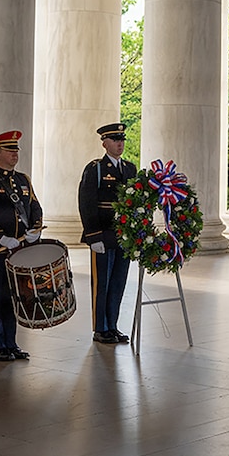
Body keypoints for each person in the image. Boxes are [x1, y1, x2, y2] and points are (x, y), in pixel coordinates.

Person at [0, 131, 43, 362]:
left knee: (14, 298)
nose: (15, 154)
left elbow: (35, 207)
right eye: (10, 151)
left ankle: (11, 343)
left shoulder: (23, 180)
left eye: (16, 151)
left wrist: (35, 229)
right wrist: (0, 237)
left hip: (19, 251)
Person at [78, 122, 137, 344]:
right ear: (104, 143)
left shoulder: (130, 169)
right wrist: (93, 235)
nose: (120, 143)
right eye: (115, 140)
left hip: (123, 236)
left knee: (118, 282)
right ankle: (100, 328)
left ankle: (112, 325)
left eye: (121, 139)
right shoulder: (95, 169)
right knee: (101, 283)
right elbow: (87, 202)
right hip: (103, 234)